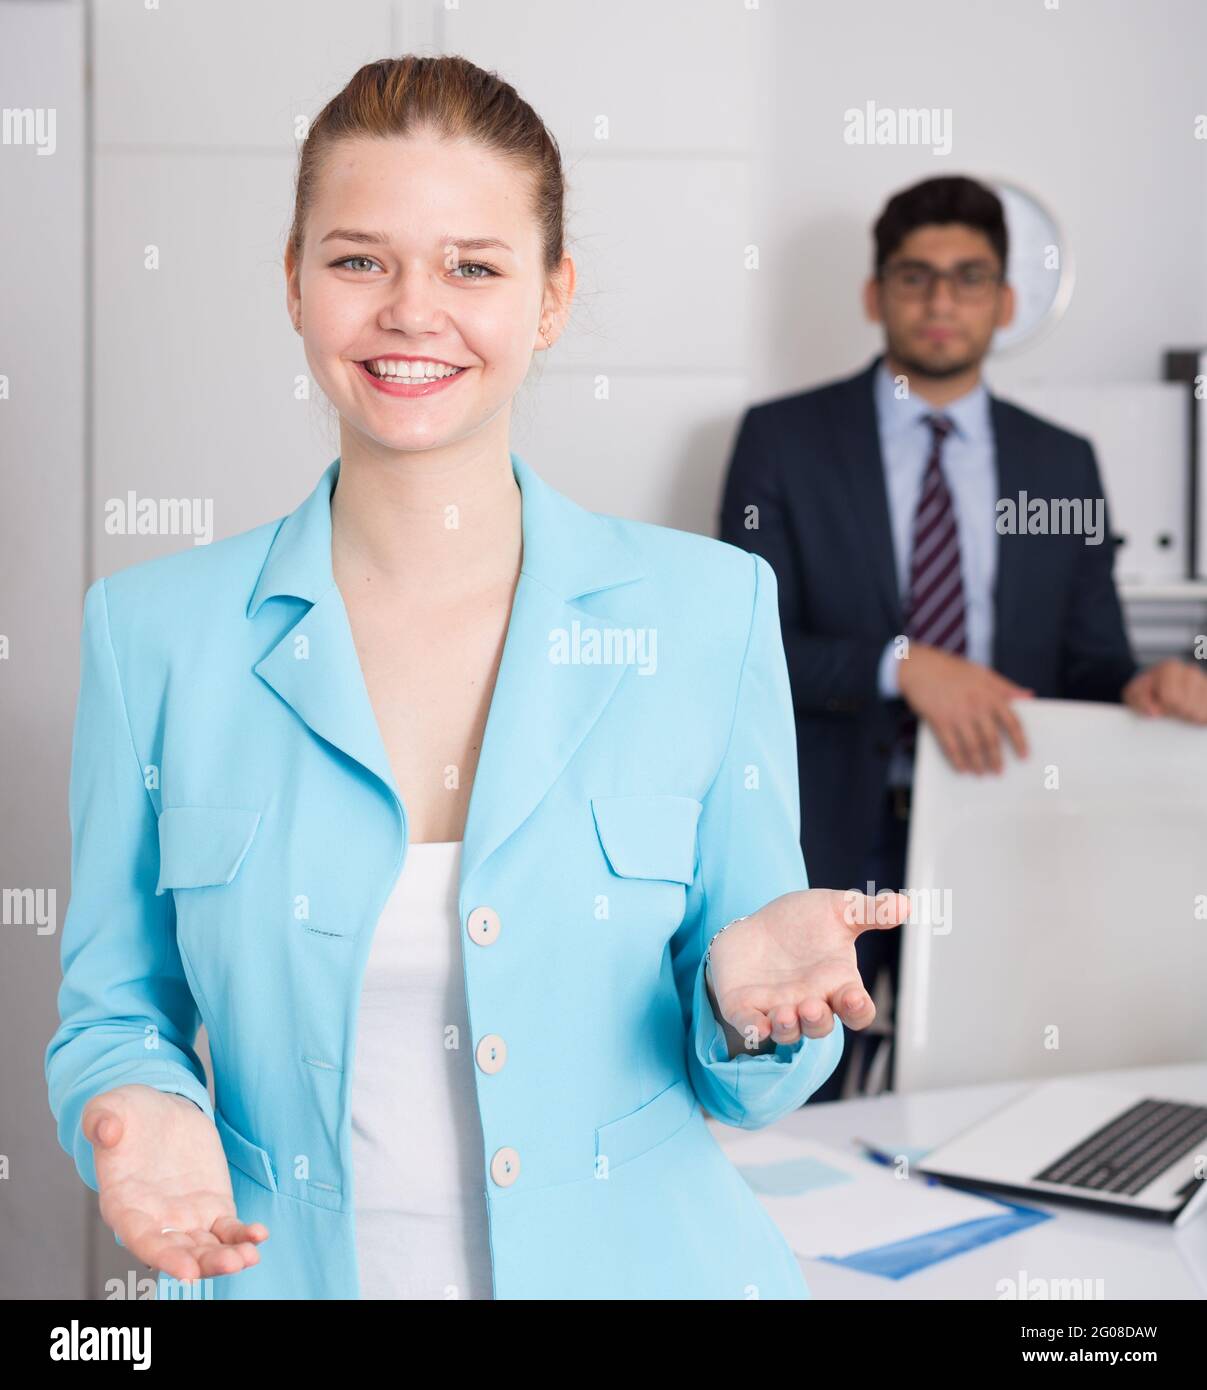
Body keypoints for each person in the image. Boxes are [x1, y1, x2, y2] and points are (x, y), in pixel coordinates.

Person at [44, 54, 909, 1301]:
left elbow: (752, 1072)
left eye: (472, 265)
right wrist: (132, 1098)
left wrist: (748, 1007)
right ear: (292, 283)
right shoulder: (152, 633)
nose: (410, 310)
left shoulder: (707, 612)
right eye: (357, 260)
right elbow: (111, 1011)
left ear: (551, 299)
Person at [720, 174, 1207, 1104]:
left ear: (1004, 301)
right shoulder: (781, 441)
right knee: (795, 1096)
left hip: (997, 824)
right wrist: (901, 667)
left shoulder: (1060, 461)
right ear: (875, 295)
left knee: (989, 1094)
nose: (941, 300)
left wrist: (1151, 684)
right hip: (824, 832)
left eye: (968, 277)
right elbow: (747, 652)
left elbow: (1091, 663)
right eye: (914, 277)